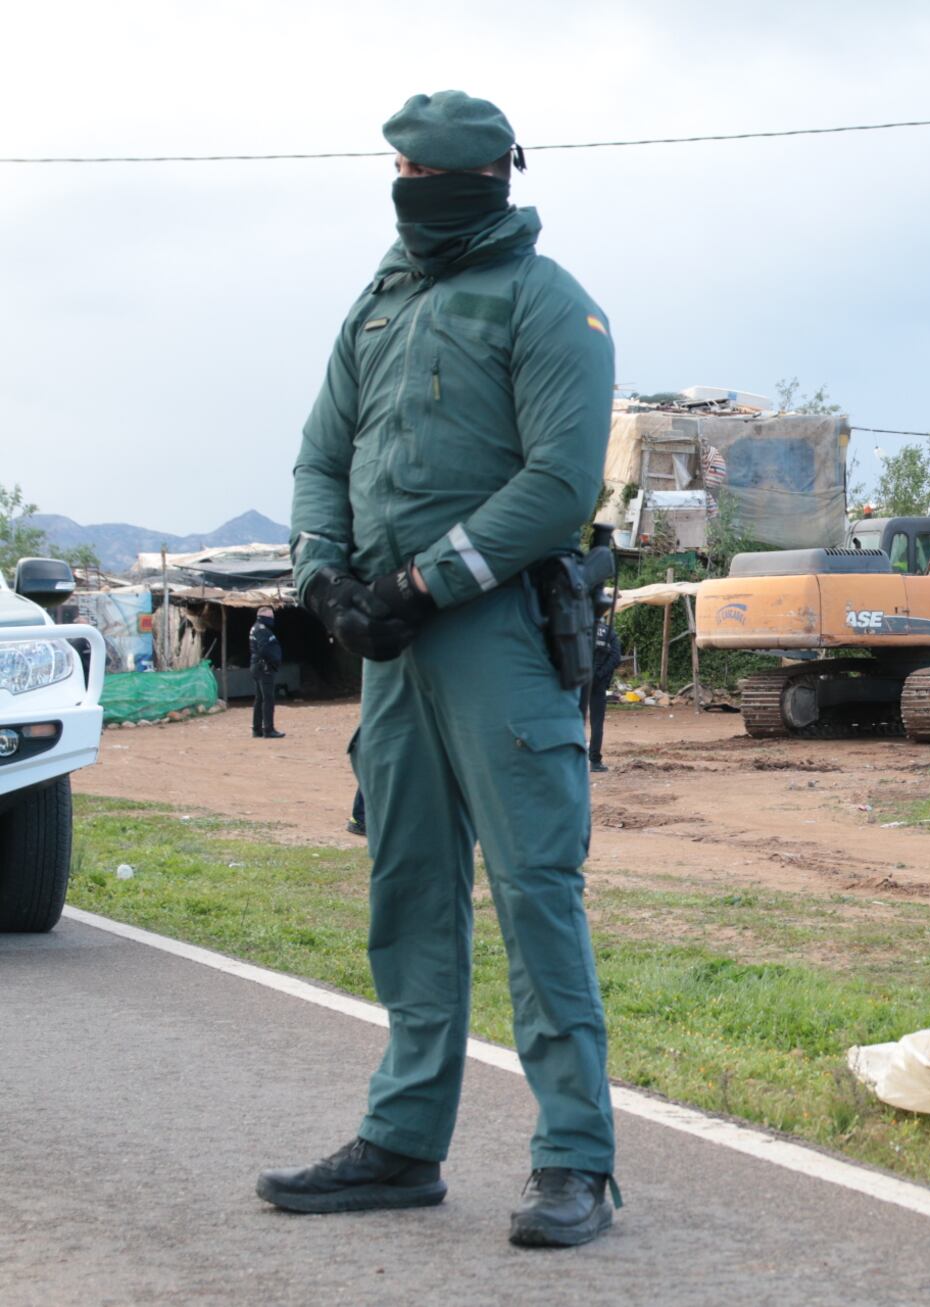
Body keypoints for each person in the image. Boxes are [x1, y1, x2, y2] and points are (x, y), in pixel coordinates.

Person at [263, 90, 619, 1248]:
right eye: (400, 172)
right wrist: (325, 579)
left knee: (534, 889)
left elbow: (558, 485)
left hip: (496, 636)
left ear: (489, 178)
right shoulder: (378, 302)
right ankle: (402, 1140)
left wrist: (425, 585)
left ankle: (575, 1158)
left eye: (427, 175)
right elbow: (320, 457)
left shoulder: (546, 302)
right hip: (389, 649)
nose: (409, 189)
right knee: (408, 887)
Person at [586, 617, 622, 773]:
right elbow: (615, 658)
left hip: (578, 681)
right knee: (597, 723)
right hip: (599, 684)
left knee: (574, 720)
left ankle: (570, 759)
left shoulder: (579, 627)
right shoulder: (609, 633)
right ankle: (595, 761)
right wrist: (600, 675)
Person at [249, 607, 285, 739]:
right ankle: (268, 730)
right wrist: (273, 662)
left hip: (258, 666)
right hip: (264, 667)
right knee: (268, 699)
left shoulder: (256, 627)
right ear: (263, 617)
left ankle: (257, 729)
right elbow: (264, 649)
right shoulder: (262, 630)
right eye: (270, 617)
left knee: (259, 699)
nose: (272, 619)